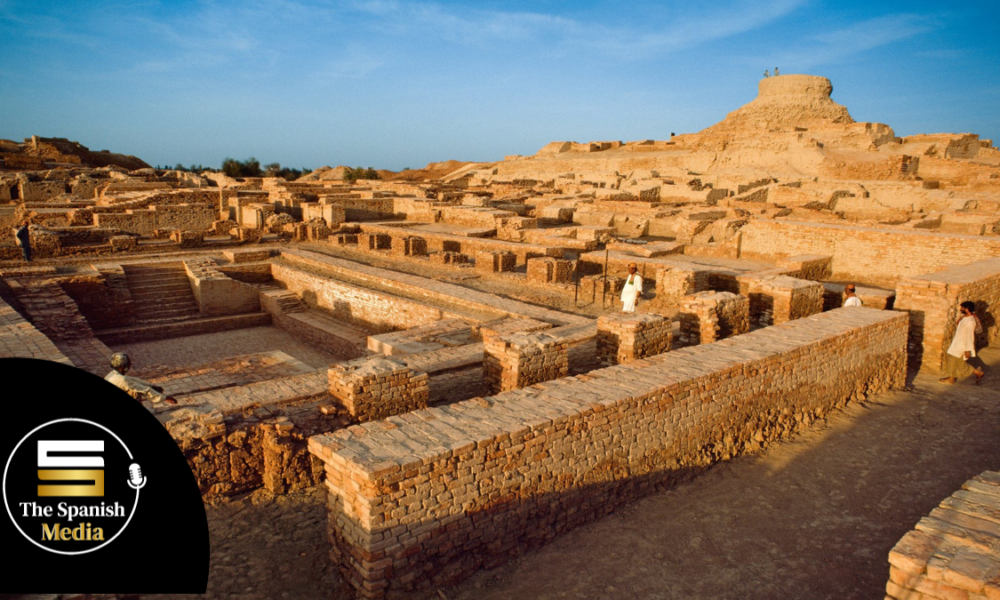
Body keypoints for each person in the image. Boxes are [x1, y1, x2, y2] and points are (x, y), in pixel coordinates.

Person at [939, 301, 985, 385]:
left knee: (959, 363)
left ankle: (952, 378)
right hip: (957, 343)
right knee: (955, 362)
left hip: (962, 345)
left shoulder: (971, 321)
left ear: (967, 309)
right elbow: (959, 326)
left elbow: (969, 336)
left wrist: (967, 350)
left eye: (962, 308)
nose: (961, 309)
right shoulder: (965, 318)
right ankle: (976, 373)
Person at [105, 352, 178, 404]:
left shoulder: (113, 374)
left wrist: (152, 386)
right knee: (135, 393)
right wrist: (165, 398)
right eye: (128, 364)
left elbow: (134, 381)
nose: (130, 366)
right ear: (123, 366)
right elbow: (144, 390)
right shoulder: (122, 379)